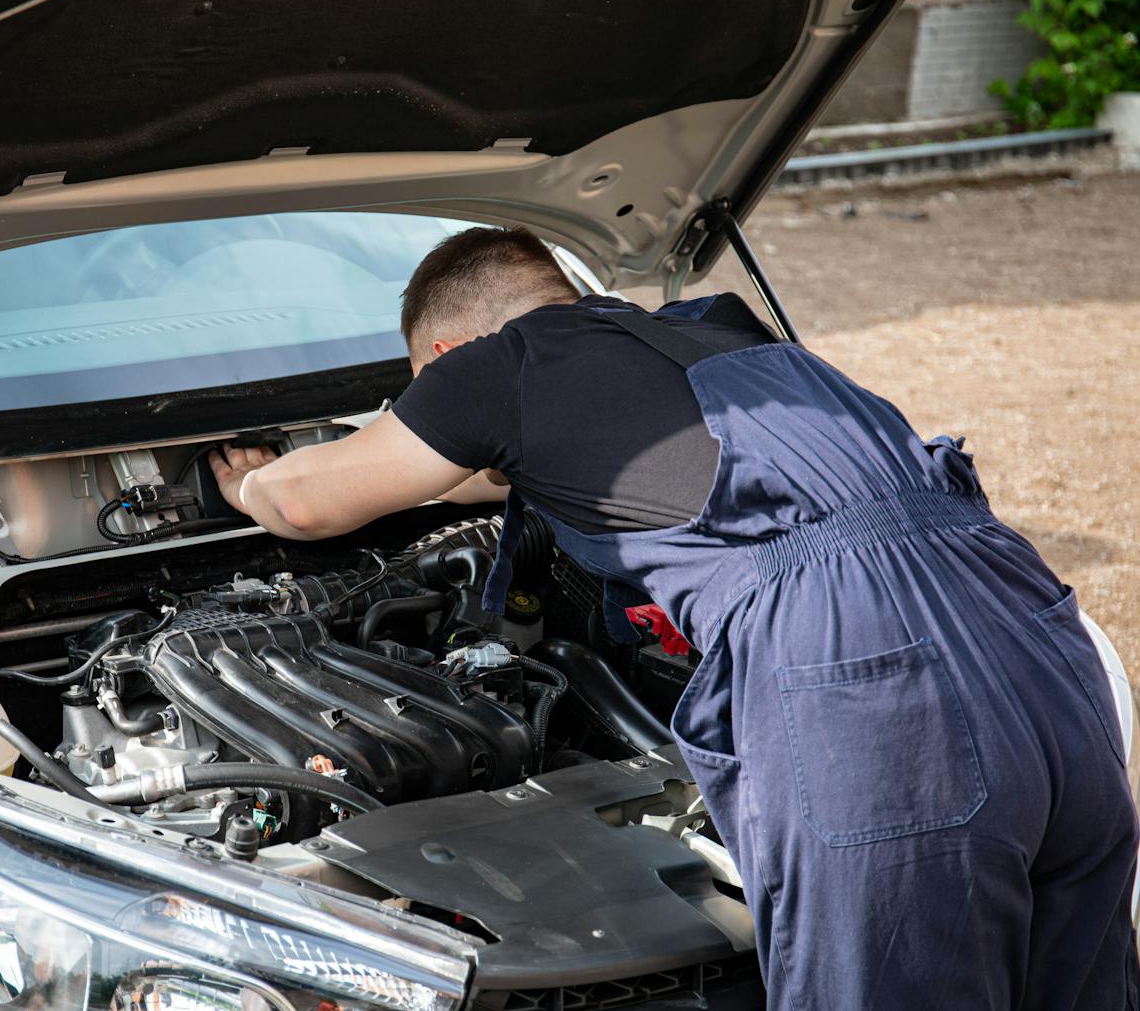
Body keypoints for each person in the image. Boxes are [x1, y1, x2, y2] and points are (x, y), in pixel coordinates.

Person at [210, 226, 1140, 1009]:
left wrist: (241, 480)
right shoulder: (721, 336)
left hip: (872, 680)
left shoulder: (503, 365)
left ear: (447, 358)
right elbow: (534, 468)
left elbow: (305, 505)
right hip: (1035, 635)